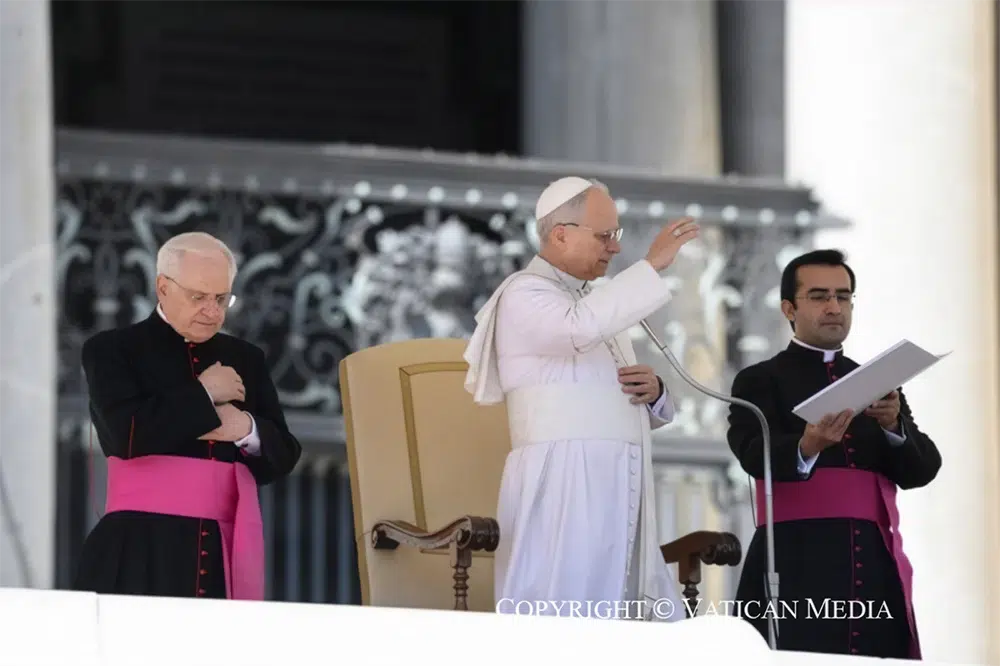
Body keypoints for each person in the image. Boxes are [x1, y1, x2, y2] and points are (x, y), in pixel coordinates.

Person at [463, 176, 699, 620]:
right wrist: (651, 266)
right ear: (560, 234)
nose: (615, 246)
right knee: (566, 612)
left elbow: (607, 401)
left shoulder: (593, 301)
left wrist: (655, 393)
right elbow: (577, 330)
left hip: (618, 483)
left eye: (616, 234)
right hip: (563, 483)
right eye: (605, 235)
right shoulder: (523, 292)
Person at [726, 249, 941, 659]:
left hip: (872, 563)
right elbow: (751, 455)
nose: (833, 307)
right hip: (795, 560)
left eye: (843, 297)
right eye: (819, 296)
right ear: (789, 308)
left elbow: (922, 470)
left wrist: (893, 426)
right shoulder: (759, 380)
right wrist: (808, 445)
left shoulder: (877, 382)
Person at [73, 231, 302, 600]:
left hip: (219, 550)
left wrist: (246, 429)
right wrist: (204, 394)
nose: (212, 311)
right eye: (199, 297)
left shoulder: (247, 358)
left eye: (222, 299)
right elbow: (124, 435)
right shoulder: (113, 350)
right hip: (137, 549)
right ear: (163, 288)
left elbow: (284, 456)